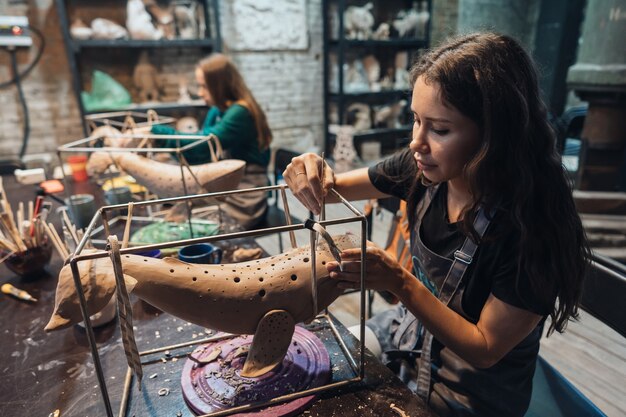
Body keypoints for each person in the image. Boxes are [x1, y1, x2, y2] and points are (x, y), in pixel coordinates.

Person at [282, 33, 590, 417]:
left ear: (494, 135)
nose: (416, 142)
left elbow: (485, 349)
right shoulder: (423, 169)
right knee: (315, 371)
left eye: (440, 129)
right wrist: (309, 169)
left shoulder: (533, 229)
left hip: (471, 391)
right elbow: (330, 188)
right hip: (408, 334)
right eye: (415, 120)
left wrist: (398, 281)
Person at [152, 53, 272, 228]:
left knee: (193, 226)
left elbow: (202, 145)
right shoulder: (217, 110)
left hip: (246, 194)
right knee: (176, 214)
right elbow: (202, 146)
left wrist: (156, 133)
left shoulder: (240, 112)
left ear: (220, 85)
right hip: (226, 186)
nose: (200, 93)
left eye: (204, 86)